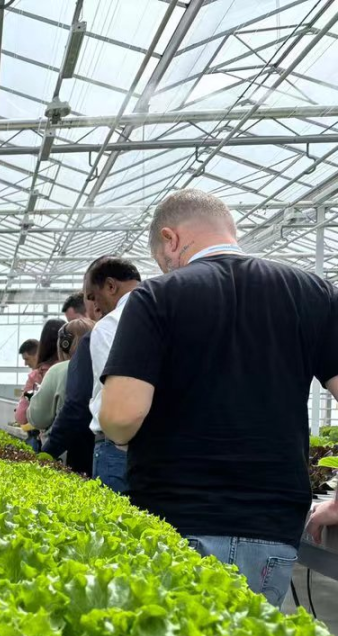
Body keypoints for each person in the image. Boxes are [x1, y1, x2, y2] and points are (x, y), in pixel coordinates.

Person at [100, 189, 338, 607]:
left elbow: (121, 416)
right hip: (272, 526)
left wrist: (120, 433)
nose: (166, 268)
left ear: (171, 239)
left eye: (162, 260)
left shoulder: (156, 297)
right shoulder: (313, 293)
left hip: (175, 520)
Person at [85, 256, 140, 492]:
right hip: (160, 450)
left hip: (117, 449)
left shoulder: (110, 325)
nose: (95, 307)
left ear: (110, 286)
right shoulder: (167, 313)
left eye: (93, 297)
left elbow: (117, 396)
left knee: (113, 514)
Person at [43, 296, 102, 475]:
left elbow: (76, 405)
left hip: (76, 451)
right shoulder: (104, 352)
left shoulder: (61, 369)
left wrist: (48, 451)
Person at [28, 318, 95, 435]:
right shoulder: (104, 367)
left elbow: (38, 419)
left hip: (65, 442)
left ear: (65, 344)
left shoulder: (58, 370)